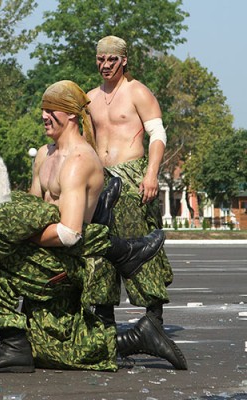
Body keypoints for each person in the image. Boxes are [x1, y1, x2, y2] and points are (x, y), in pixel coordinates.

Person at [0, 81, 187, 372]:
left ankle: (14, 343)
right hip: (44, 256)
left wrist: (14, 239)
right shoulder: (44, 154)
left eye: (51, 110)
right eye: (43, 110)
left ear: (71, 116)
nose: (43, 116)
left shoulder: (79, 160)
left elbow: (68, 233)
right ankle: (138, 334)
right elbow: (32, 209)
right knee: (52, 351)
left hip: (64, 263)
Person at [87, 35, 173, 328]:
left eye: (112, 59)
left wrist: (151, 174)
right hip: (101, 181)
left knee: (140, 247)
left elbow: (158, 135)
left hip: (133, 177)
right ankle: (104, 322)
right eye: (101, 59)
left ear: (123, 60)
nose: (106, 65)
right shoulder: (89, 98)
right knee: (100, 247)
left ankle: (154, 319)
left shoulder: (137, 91)